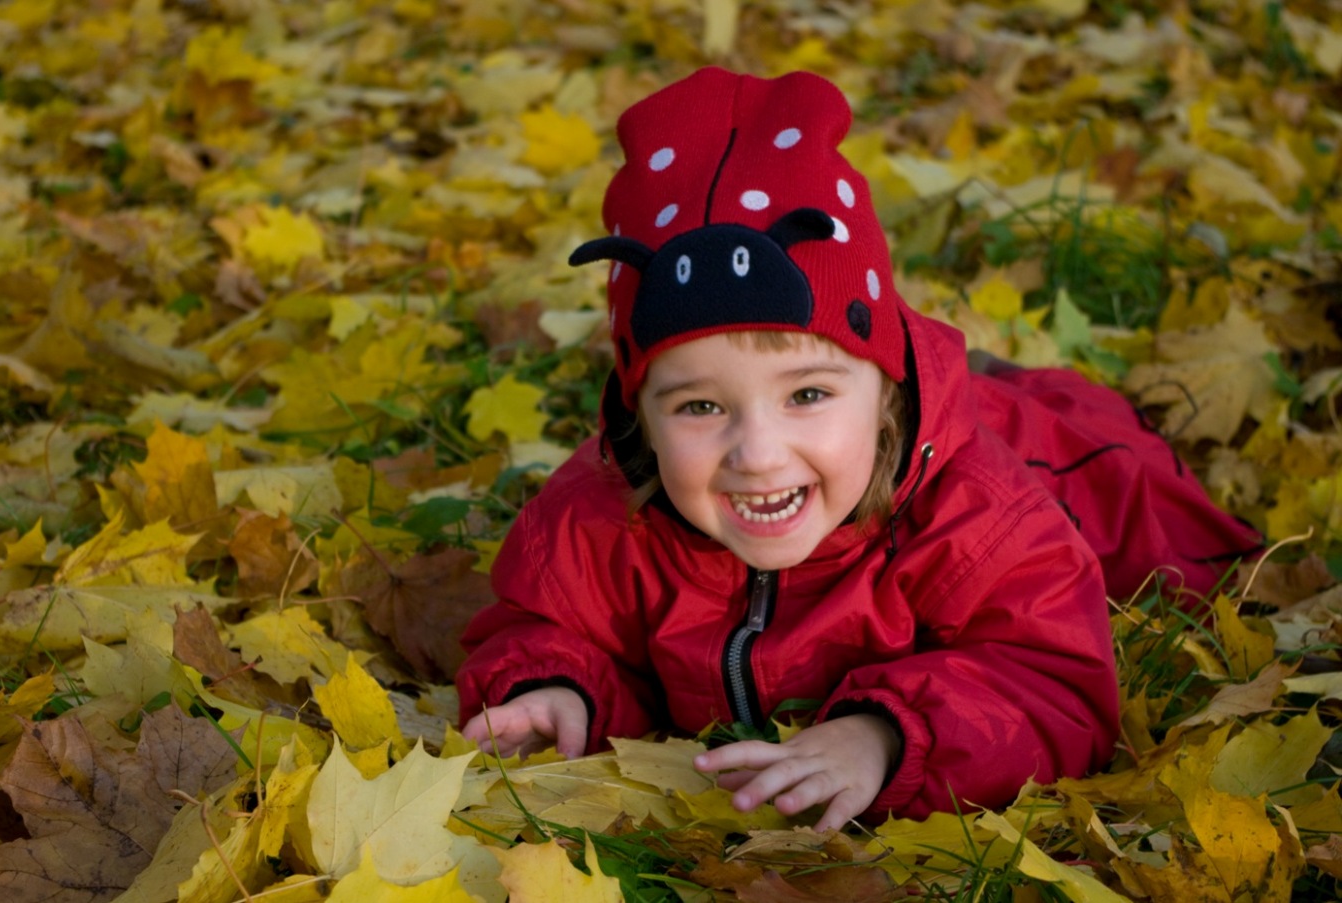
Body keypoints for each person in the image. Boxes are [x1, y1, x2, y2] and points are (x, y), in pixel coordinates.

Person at [456, 68, 1261, 830]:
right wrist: (556, 686)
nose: (760, 453)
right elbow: (543, 620)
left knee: (1134, 500)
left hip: (1054, 456)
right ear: (640, 415)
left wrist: (882, 735)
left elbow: (1053, 679)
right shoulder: (598, 515)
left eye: (808, 394)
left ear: (885, 391)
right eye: (701, 405)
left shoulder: (978, 516)